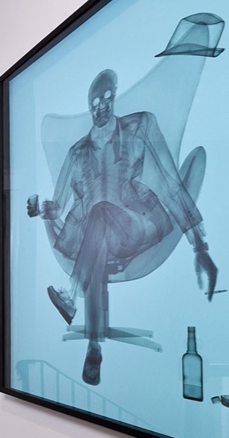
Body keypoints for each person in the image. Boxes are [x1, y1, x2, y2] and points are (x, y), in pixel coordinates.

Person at [28, 69, 217, 385]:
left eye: (106, 99)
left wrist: (199, 247)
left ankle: (72, 296)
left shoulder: (140, 126)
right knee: (96, 229)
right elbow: (58, 206)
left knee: (100, 214)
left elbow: (171, 183)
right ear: (90, 106)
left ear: (113, 98)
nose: (101, 107)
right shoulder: (77, 152)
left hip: (136, 224)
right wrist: (40, 209)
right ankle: (94, 349)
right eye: (95, 103)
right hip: (95, 234)